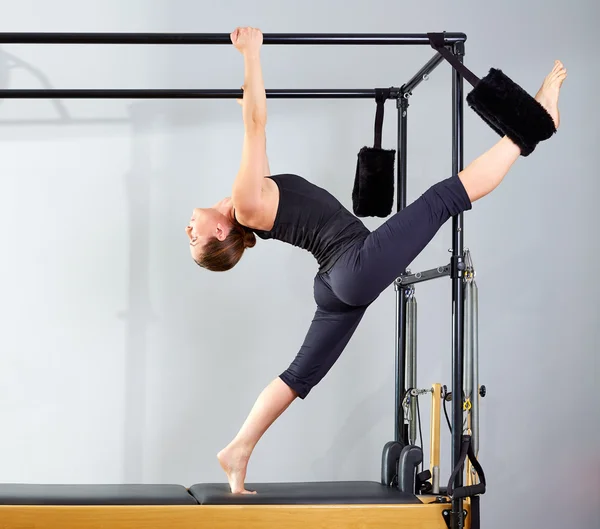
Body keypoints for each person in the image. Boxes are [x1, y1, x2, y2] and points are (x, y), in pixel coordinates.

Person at [185, 26, 567, 494]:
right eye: (194, 240)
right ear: (221, 233)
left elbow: (254, 119)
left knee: (299, 376)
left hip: (336, 280)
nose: (189, 230)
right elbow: (256, 125)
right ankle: (534, 126)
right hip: (351, 266)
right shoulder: (245, 202)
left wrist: (247, 81)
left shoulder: (250, 195)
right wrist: (251, 53)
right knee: (443, 197)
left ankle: (238, 449)